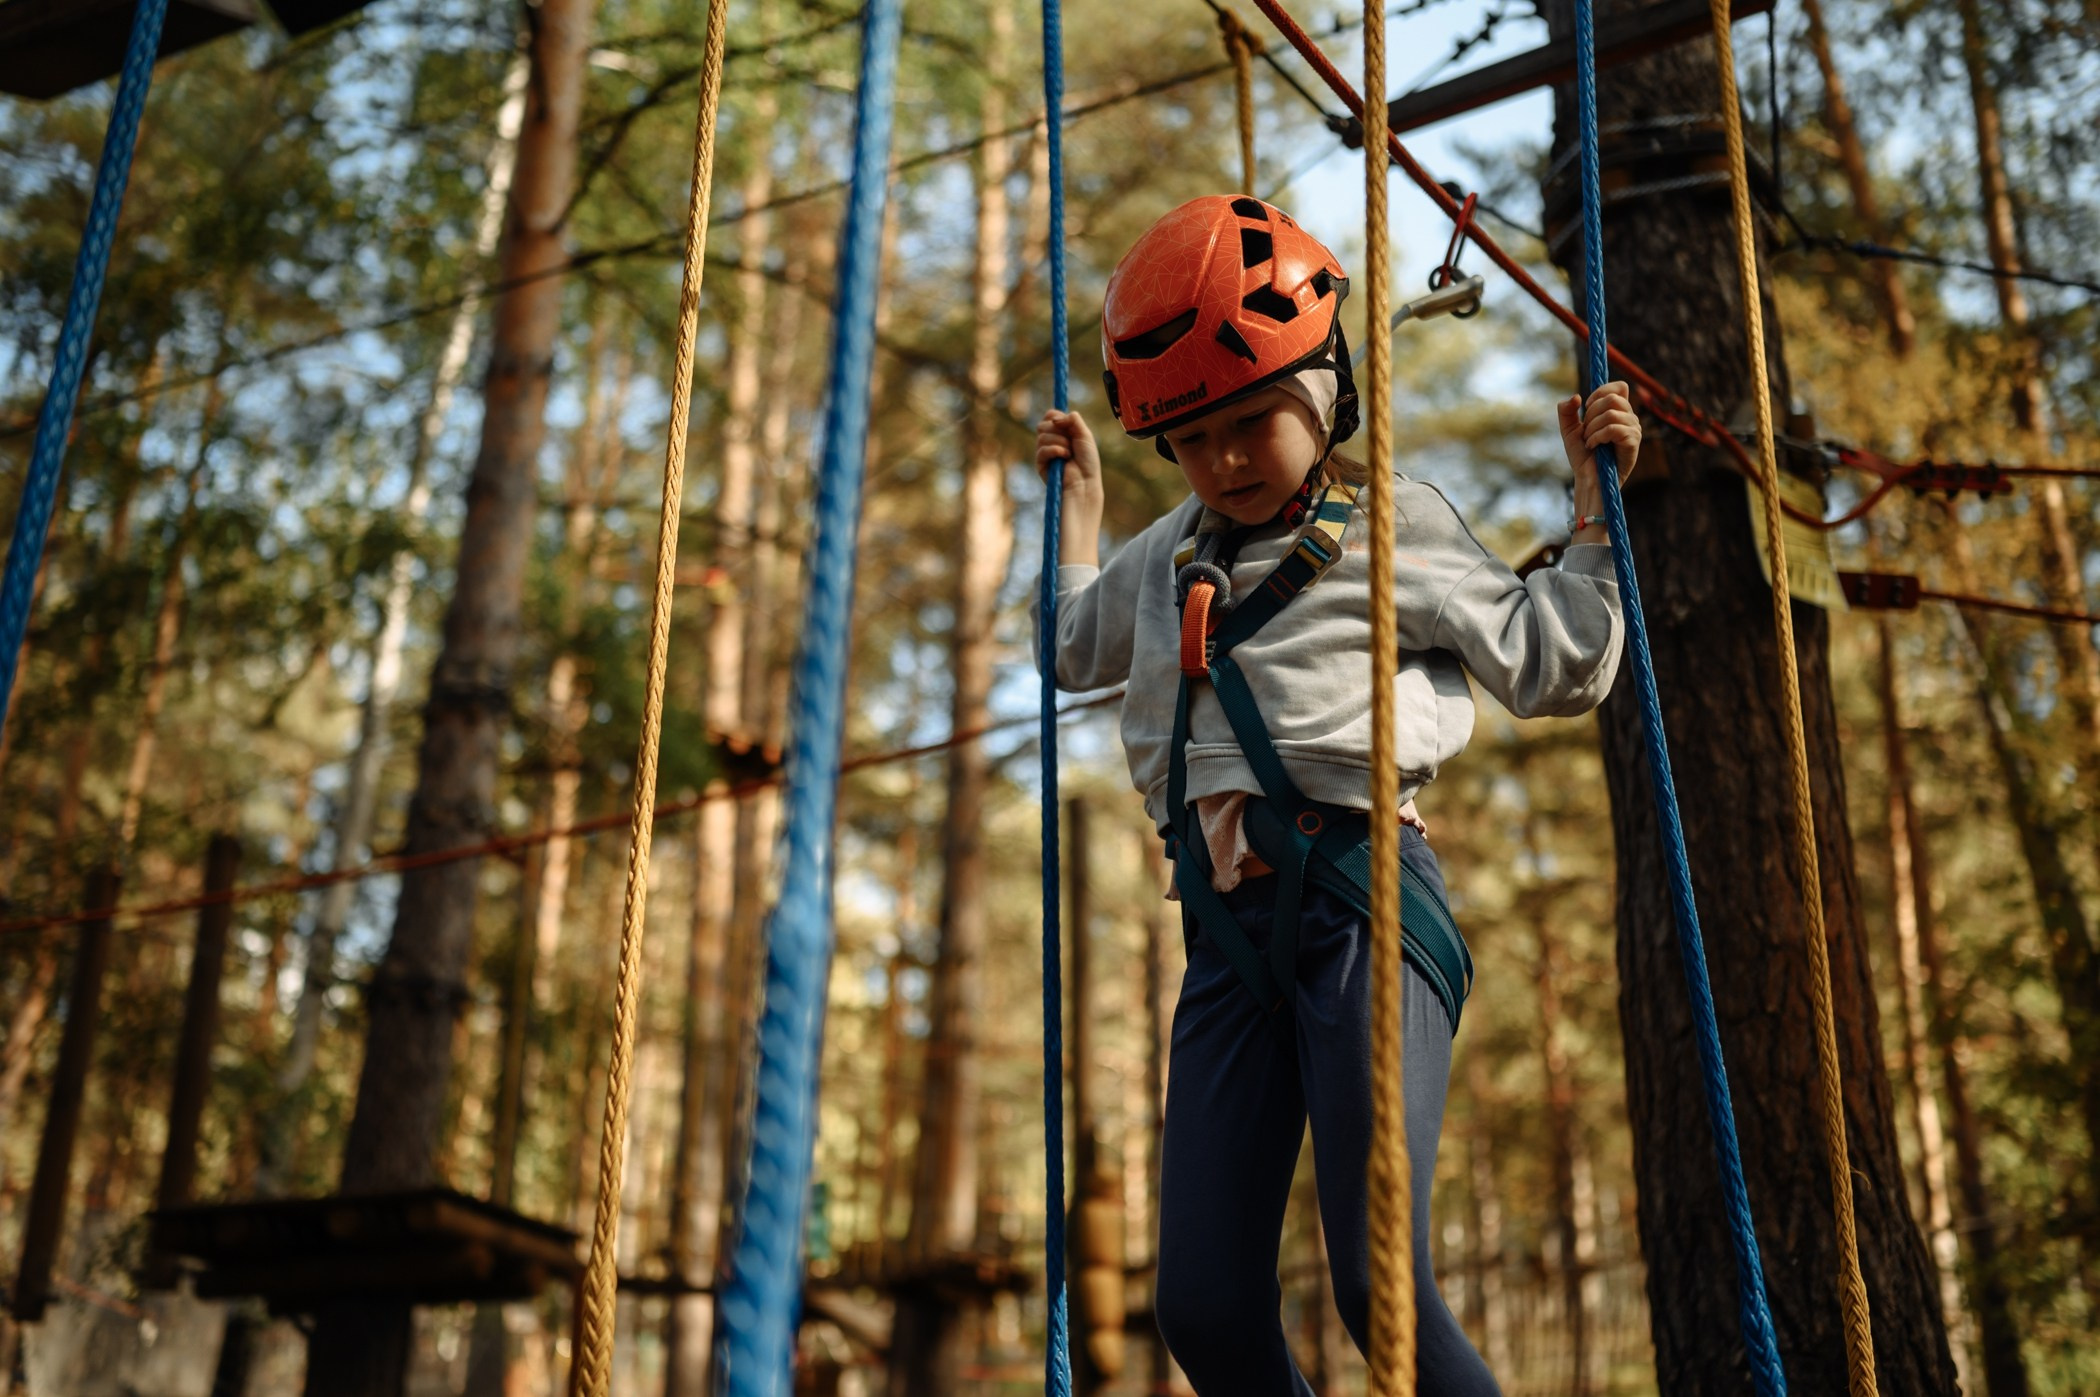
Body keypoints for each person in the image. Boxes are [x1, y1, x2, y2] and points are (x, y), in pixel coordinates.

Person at [1035, 195, 1636, 1395]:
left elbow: (1555, 662)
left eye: (1251, 421)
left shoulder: (1394, 525)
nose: (1225, 460)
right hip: (1225, 935)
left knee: (1378, 1282)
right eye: (1191, 439)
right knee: (1202, 1307)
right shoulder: (1165, 555)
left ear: (1324, 395)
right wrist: (1084, 511)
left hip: (1362, 902)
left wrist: (1592, 512)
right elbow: (1070, 647)